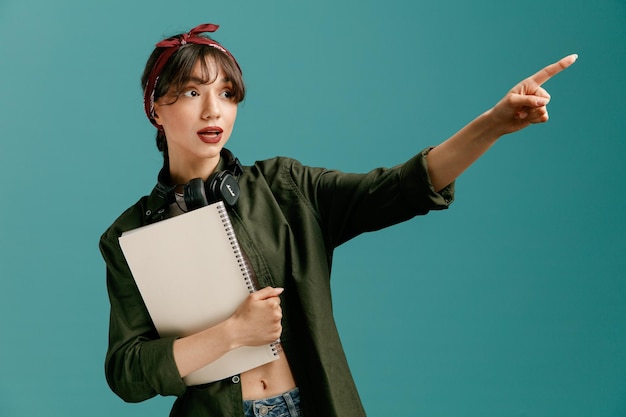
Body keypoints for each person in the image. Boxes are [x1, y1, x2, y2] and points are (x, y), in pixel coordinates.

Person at [99, 22, 577, 417]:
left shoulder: (287, 188)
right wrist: (230, 334)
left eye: (227, 92)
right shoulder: (129, 237)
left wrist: (493, 123)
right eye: (190, 91)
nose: (213, 109)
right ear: (155, 108)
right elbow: (128, 371)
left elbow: (399, 188)